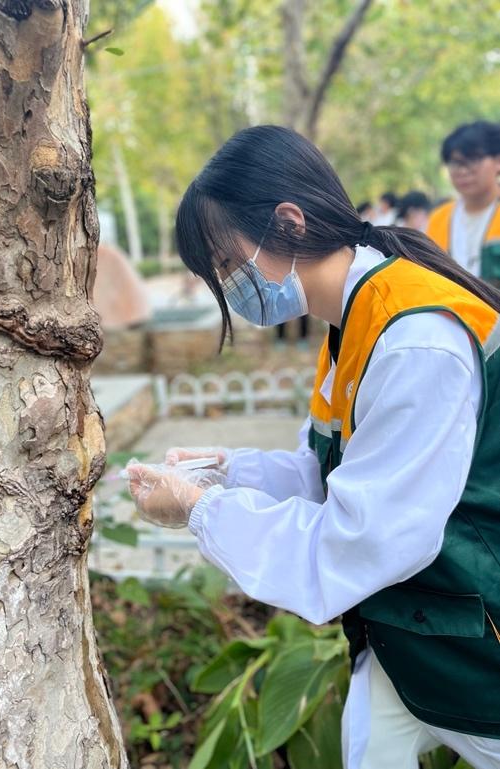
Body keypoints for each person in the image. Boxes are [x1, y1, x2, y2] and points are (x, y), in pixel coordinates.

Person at [126, 125, 500, 769]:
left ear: (289, 223)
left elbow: (362, 539)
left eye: (226, 264)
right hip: (422, 620)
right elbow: (328, 471)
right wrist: (224, 470)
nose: (230, 286)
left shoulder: (414, 340)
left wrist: (200, 509)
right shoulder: (355, 319)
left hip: (476, 624)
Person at [427, 120, 500, 279]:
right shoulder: (438, 218)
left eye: (473, 159)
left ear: (497, 160)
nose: (463, 171)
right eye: (455, 163)